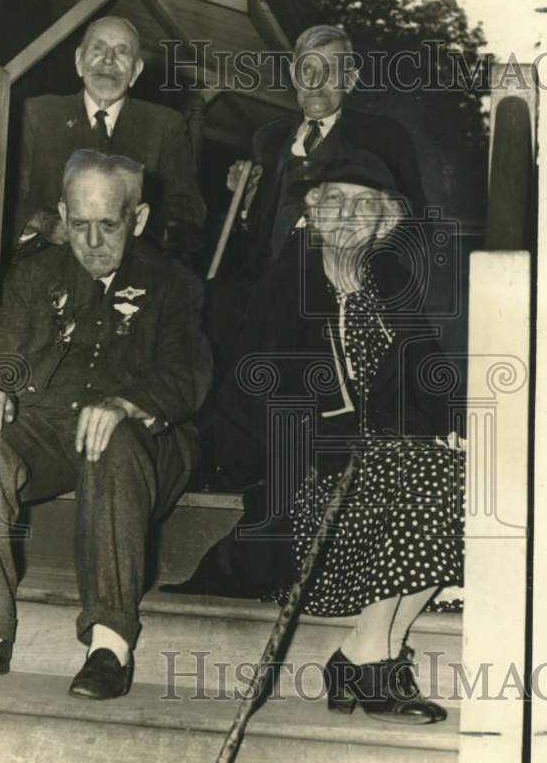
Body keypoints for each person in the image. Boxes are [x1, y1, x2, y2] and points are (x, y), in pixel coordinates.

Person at [164, 153, 464, 723]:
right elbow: (249, 399)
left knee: (453, 470)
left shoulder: (392, 282)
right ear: (314, 211)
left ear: (385, 221)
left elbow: (431, 374)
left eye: (364, 204)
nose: (348, 214)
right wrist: (325, 441)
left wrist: (452, 428)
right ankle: (367, 659)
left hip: (390, 480)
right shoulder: (284, 285)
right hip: (309, 491)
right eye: (335, 200)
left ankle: (369, 651)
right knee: (418, 469)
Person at [0, 149, 213, 700]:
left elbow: (186, 374)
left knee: (113, 438)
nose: (92, 242)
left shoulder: (173, 284)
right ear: (62, 214)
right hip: (51, 430)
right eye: (79, 225)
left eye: (109, 225)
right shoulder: (34, 276)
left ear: (139, 218)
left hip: (143, 444)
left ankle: (110, 645)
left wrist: (127, 403)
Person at [228, 23, 426, 281]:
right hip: (270, 288)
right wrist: (246, 203)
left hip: (346, 285)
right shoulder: (267, 138)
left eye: (330, 70)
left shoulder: (384, 137)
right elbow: (255, 235)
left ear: (350, 79)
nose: (315, 83)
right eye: (307, 69)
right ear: (294, 75)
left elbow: (418, 226)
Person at [13, 16, 206, 257]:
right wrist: (43, 222)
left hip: (131, 266)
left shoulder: (165, 126)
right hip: (44, 263)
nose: (108, 60)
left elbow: (189, 211)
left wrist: (130, 230)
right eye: (98, 48)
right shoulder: (39, 114)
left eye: (122, 52)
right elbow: (6, 198)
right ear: (79, 61)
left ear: (135, 71)